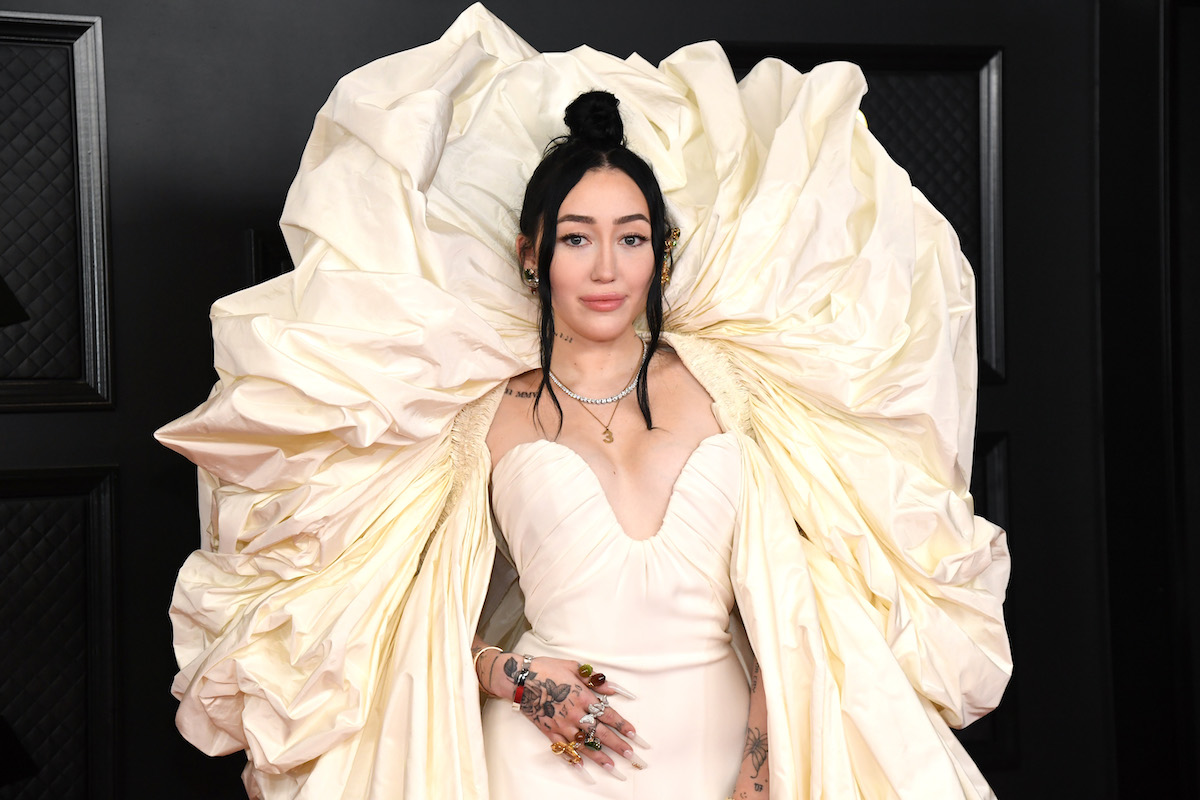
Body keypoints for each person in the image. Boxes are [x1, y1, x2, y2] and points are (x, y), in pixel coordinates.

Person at [157, 5, 1011, 799]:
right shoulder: (478, 416)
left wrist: (759, 768)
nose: (606, 269)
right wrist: (514, 677)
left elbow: (806, 595)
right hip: (541, 760)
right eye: (577, 238)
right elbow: (393, 631)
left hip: (728, 754)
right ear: (532, 255)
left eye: (630, 238)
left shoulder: (737, 390)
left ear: (660, 254)